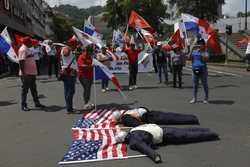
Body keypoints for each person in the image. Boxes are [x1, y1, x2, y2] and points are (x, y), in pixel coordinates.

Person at [115, 124, 219, 163]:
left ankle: (212, 134)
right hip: (161, 128)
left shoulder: (133, 142)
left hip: (165, 136)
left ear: (124, 141)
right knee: (186, 130)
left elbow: (144, 148)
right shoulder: (133, 130)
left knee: (188, 136)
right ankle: (206, 129)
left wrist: (155, 156)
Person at [18, 36, 45, 111]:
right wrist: (24, 73)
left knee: (34, 89)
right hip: (27, 74)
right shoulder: (23, 49)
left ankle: (37, 103)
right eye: (30, 42)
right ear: (27, 42)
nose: (32, 43)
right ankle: (23, 105)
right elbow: (21, 61)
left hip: (31, 73)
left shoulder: (28, 49)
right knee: (25, 90)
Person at [112, 107, 199, 127]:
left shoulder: (125, 118)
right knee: (171, 115)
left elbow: (136, 124)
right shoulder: (127, 111)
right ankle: (192, 117)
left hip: (149, 117)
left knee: (171, 119)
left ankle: (192, 119)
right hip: (150, 112)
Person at [188, 38, 209, 104]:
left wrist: (201, 51)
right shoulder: (194, 51)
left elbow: (205, 59)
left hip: (203, 70)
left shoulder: (205, 52)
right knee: (195, 85)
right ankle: (194, 98)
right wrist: (192, 49)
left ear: (203, 45)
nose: (200, 45)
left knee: (204, 84)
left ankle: (206, 98)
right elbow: (189, 57)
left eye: (201, 44)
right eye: (199, 43)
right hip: (195, 69)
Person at [60, 42, 78, 114]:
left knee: (68, 90)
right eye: (74, 45)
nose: (75, 46)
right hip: (69, 72)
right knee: (70, 90)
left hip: (70, 72)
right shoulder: (66, 49)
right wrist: (70, 49)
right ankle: (69, 108)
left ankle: (69, 107)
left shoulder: (68, 49)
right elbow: (65, 54)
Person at [77, 44, 94, 110]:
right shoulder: (82, 56)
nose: (91, 53)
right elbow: (81, 65)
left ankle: (87, 102)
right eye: (90, 51)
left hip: (90, 75)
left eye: (91, 52)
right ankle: (86, 103)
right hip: (83, 76)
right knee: (87, 88)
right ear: (87, 51)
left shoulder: (90, 56)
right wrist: (90, 66)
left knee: (88, 89)